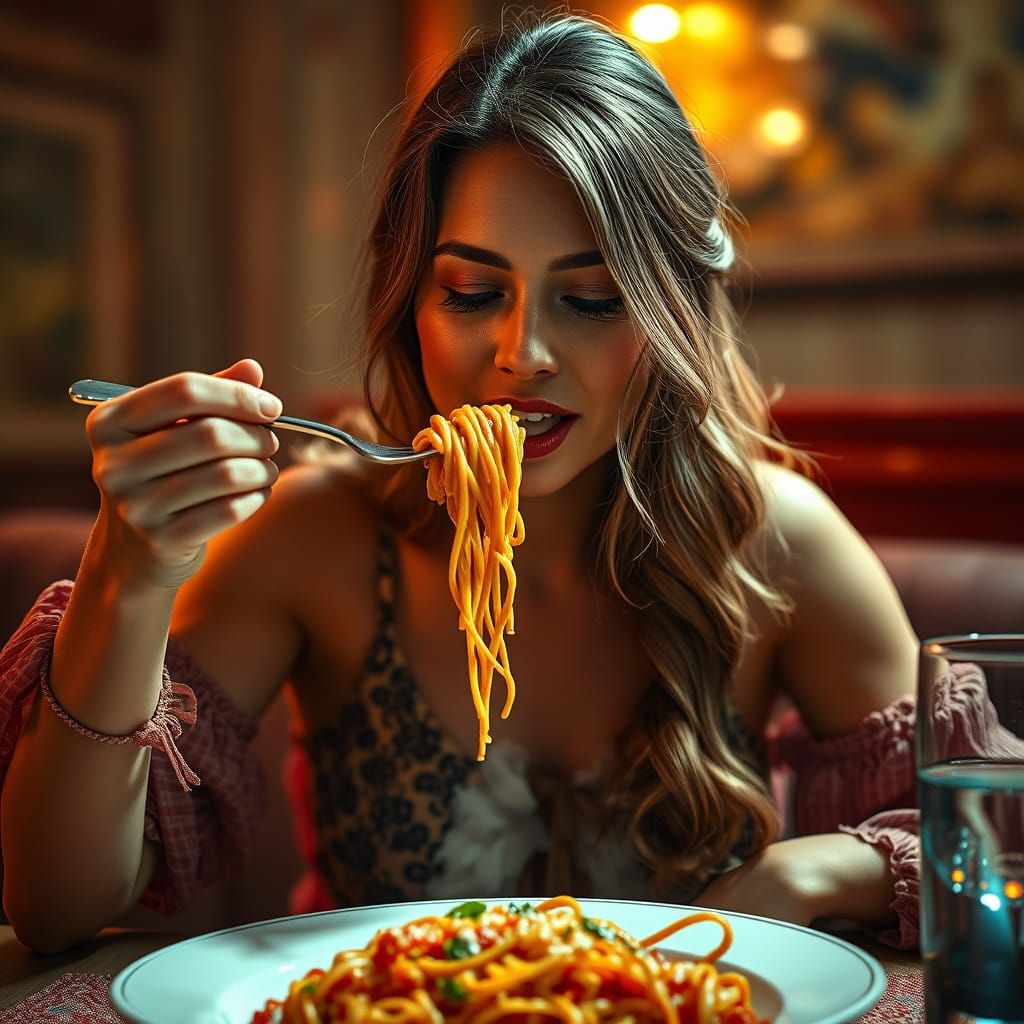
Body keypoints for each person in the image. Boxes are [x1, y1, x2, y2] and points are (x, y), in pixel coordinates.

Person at [0, 11, 993, 956]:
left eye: (593, 298)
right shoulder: (317, 534)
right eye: (473, 292)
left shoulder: (768, 538)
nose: (524, 352)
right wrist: (127, 569)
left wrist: (825, 868)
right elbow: (56, 905)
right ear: (411, 303)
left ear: (672, 312)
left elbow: (988, 852)